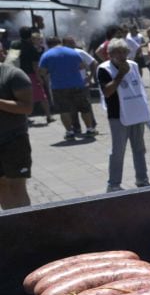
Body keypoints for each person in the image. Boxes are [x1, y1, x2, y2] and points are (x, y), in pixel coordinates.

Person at [97, 38, 150, 192]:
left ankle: (142, 179)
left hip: (136, 113)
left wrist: (148, 112)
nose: (122, 55)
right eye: (118, 52)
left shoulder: (134, 65)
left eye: (125, 52)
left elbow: (140, 89)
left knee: (139, 149)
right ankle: (113, 184)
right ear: (110, 54)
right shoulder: (104, 69)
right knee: (118, 151)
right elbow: (107, 91)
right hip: (118, 115)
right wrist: (120, 74)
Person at [39, 37, 97, 141]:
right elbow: (82, 66)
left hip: (59, 87)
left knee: (64, 110)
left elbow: (42, 72)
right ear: (60, 43)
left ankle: (70, 132)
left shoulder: (46, 55)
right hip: (77, 84)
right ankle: (89, 129)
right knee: (84, 108)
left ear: (48, 45)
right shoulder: (73, 52)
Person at [0, 43, 33, 209]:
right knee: (2, 186)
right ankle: (10, 226)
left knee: (17, 186)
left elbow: (26, 107)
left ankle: (26, 228)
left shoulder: (13, 75)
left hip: (13, 140)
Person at [18, 27, 52, 125]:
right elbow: (35, 65)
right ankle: (48, 116)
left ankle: (25, 118)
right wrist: (39, 77)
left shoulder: (16, 44)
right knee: (42, 96)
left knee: (24, 96)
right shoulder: (31, 48)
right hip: (31, 74)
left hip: (20, 73)